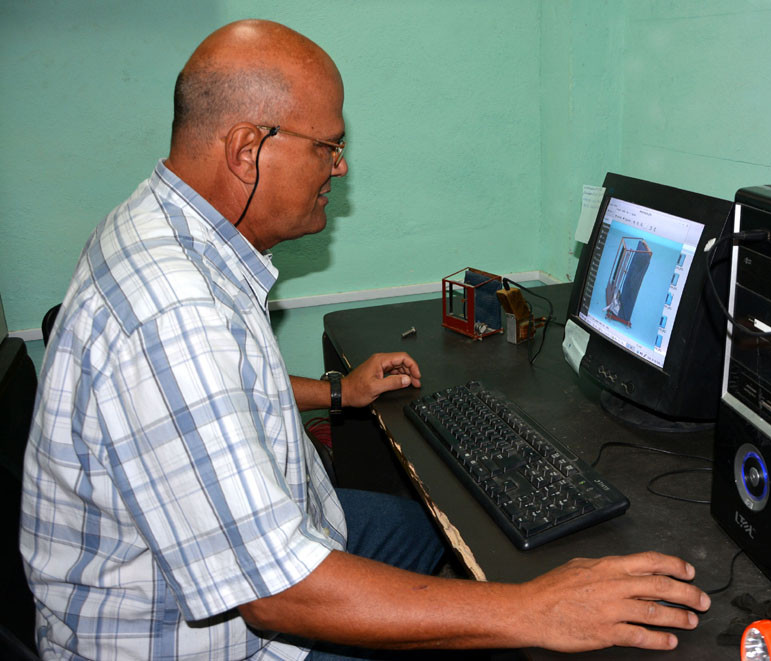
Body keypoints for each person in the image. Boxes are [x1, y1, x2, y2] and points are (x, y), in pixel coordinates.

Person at [20, 19, 710, 660]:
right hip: (200, 638)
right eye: (327, 146)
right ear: (245, 149)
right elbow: (275, 596)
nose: (340, 167)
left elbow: (201, 393)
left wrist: (337, 392)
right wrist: (534, 611)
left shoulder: (162, 227)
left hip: (286, 526)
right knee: (505, 593)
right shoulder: (173, 309)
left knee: (433, 533)